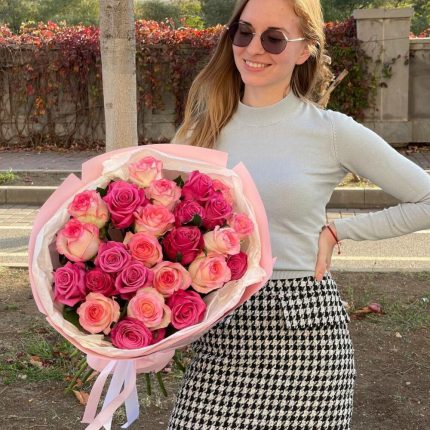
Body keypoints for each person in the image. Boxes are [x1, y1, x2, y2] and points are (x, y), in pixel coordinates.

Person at [167, 0, 430, 428]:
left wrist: (339, 231)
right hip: (220, 328)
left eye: (274, 38)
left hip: (305, 336)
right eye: (244, 32)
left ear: (305, 49)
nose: (254, 48)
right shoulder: (200, 131)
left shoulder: (330, 131)